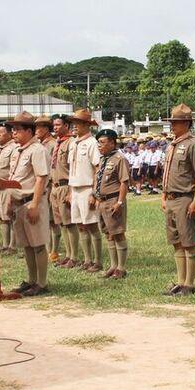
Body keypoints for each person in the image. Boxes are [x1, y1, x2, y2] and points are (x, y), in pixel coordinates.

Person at [4, 111, 52, 297]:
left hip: (32, 201)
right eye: (13, 129)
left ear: (29, 131)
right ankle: (31, 280)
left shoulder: (37, 150)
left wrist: (35, 205)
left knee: (38, 244)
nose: (14, 133)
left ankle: (42, 282)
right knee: (27, 245)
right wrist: (10, 201)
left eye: (17, 129)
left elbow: (41, 178)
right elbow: (14, 178)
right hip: (19, 202)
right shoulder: (18, 151)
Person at [161, 104, 195, 296]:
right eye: (172, 122)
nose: (172, 125)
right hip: (171, 198)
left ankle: (189, 284)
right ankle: (180, 282)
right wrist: (163, 196)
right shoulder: (172, 144)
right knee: (176, 242)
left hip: (185, 197)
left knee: (188, 242)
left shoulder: (193, 144)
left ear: (186, 123)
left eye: (176, 122)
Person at [67, 108, 104, 272]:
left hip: (87, 188)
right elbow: (72, 169)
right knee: (80, 225)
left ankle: (97, 260)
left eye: (78, 123)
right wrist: (70, 191)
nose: (74, 126)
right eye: (73, 123)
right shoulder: (73, 143)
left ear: (87, 125)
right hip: (75, 188)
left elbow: (97, 169)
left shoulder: (92, 143)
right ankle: (87, 259)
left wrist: (94, 193)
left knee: (92, 225)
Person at [92, 129, 130, 279]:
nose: (99, 146)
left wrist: (120, 202)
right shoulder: (103, 160)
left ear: (112, 143)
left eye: (102, 142)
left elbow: (124, 182)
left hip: (113, 200)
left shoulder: (119, 159)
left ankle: (121, 267)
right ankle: (113, 266)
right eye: (98, 143)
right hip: (102, 202)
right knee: (109, 234)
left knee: (118, 233)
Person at [51, 114, 79, 267]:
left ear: (66, 126)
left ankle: (74, 256)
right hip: (55, 187)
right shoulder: (58, 142)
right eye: (54, 125)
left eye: (57, 125)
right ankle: (68, 255)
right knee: (61, 223)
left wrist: (71, 191)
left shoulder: (71, 143)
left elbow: (74, 168)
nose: (54, 127)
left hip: (65, 185)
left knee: (69, 223)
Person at [0, 124, 18, 254]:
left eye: (1, 133)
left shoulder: (14, 148)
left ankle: (13, 245)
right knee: (1, 216)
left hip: (7, 186)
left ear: (9, 134)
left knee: (10, 216)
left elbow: (13, 168)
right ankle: (5, 244)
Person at [35, 115, 60, 262]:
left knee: (52, 220)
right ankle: (47, 247)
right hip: (41, 186)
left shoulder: (52, 144)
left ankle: (54, 250)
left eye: (38, 128)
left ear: (45, 129)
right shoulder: (40, 145)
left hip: (50, 185)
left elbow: (53, 167)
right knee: (44, 219)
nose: (36, 131)